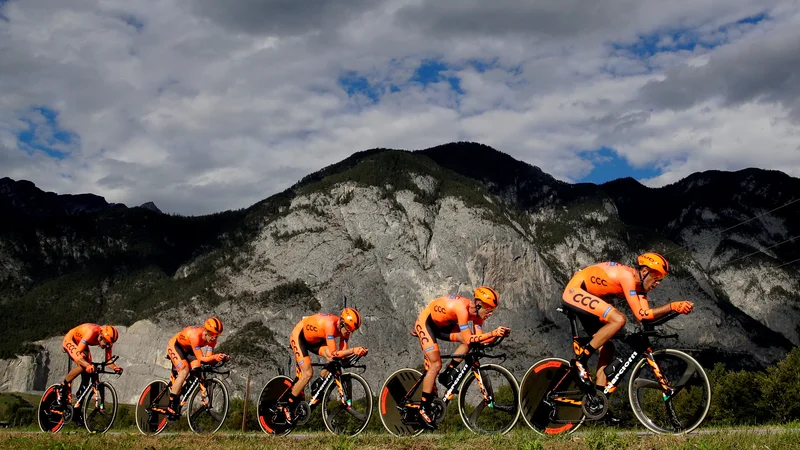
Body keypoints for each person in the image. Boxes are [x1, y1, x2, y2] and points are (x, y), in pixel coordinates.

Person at [561, 252, 694, 397]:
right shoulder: (627, 277)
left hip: (592, 296)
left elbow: (645, 316)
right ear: (644, 271)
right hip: (576, 290)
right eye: (656, 277)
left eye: (661, 279)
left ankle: (598, 399)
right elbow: (640, 314)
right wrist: (672, 306)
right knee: (619, 319)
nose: (658, 283)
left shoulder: (641, 289)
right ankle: (580, 361)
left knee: (608, 347)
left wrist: (676, 311)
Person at [413, 286, 511, 429]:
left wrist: (499, 334)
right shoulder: (462, 309)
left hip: (443, 326)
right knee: (435, 364)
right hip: (427, 323)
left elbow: (478, 339)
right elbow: (470, 338)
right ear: (478, 305)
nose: (490, 314)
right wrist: (493, 333)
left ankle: (448, 374)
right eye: (489, 310)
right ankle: (423, 409)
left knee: (468, 344)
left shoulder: (477, 315)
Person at [283, 308, 368, 423]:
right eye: (349, 328)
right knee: (307, 374)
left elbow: (342, 355)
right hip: (300, 336)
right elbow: (335, 353)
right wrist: (354, 350)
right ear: (342, 322)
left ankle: (320, 381)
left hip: (315, 340)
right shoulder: (330, 325)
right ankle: (286, 405)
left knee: (333, 359)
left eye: (353, 330)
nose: (349, 332)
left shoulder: (345, 329)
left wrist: (359, 353)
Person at [165, 317, 229, 417]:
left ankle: (181, 389)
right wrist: (215, 357)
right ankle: (171, 404)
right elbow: (201, 358)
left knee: (197, 369)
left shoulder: (212, 339)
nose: (214, 338)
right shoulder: (195, 335)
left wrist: (221, 358)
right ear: (206, 332)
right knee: (184, 370)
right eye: (213, 334)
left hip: (189, 349)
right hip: (176, 345)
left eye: (218, 335)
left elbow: (207, 359)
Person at [59, 324, 123, 407]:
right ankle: (62, 387)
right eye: (106, 343)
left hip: (81, 342)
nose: (107, 346)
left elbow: (108, 361)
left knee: (88, 374)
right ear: (100, 337)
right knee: (83, 366)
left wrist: (115, 367)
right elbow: (78, 353)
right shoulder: (91, 332)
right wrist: (87, 365)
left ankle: (77, 405)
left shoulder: (108, 340)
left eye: (109, 344)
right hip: (71, 339)